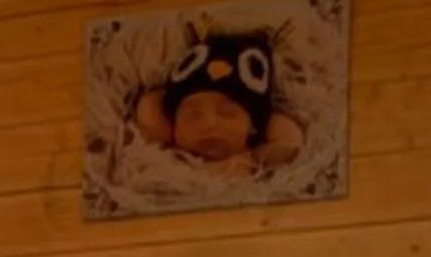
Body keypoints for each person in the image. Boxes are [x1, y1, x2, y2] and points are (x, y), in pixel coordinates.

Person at [130, 27, 308, 174]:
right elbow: (149, 110)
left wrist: (257, 153)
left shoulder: (254, 161)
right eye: (192, 116)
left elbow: (290, 144)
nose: (209, 124)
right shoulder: (164, 162)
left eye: (227, 114)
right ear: (172, 127)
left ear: (253, 126)